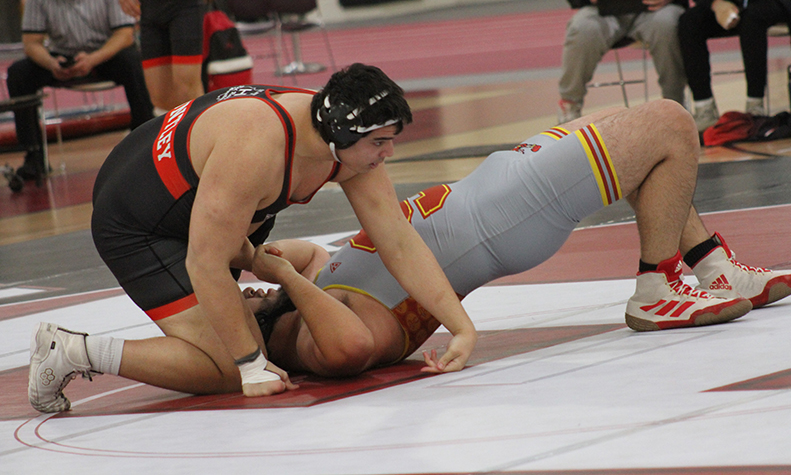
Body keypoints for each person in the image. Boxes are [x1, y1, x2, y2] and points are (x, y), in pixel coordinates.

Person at [27, 64, 477, 413]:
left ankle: (225, 347)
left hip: (201, 194)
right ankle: (70, 351)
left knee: (235, 329)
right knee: (227, 365)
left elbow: (397, 240)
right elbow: (203, 262)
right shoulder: (257, 147)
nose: (388, 153)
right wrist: (249, 365)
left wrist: (461, 326)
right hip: (138, 220)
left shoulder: (341, 141)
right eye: (380, 142)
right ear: (343, 134)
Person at [242, 99, 791, 377]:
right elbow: (350, 350)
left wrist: (256, 264)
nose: (241, 293)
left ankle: (711, 265)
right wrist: (284, 283)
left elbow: (260, 252)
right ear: (259, 335)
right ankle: (657, 288)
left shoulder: (313, 277)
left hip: (498, 184)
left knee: (624, 127)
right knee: (671, 125)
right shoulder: (318, 337)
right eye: (239, 307)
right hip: (508, 216)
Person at [4, 0, 153, 182]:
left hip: (104, 55)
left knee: (132, 61)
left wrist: (93, 59)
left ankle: (145, 142)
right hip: (61, 58)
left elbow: (125, 36)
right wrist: (52, 63)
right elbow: (31, 43)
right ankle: (33, 156)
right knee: (19, 74)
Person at [557, 0, 689, 124]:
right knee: (582, 28)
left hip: (656, 8)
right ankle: (569, 105)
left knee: (669, 25)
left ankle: (676, 104)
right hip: (605, 10)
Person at [677, 0, 791, 132]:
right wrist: (716, 3)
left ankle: (755, 104)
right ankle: (704, 108)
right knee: (689, 22)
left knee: (752, 18)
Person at [114, 0, 216, 115]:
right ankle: (174, 140)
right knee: (159, 97)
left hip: (183, 3)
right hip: (150, 6)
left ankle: (202, 139)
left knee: (187, 91)